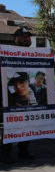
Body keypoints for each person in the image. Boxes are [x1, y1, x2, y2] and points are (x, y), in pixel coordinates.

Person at [1, 28, 38, 164]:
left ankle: (24, 150)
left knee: (26, 124)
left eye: (28, 37)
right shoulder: (6, 52)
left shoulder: (34, 54)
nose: (26, 39)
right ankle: (5, 152)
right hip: (8, 98)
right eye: (22, 37)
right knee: (10, 125)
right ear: (15, 39)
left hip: (25, 100)